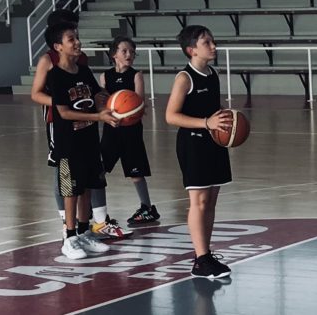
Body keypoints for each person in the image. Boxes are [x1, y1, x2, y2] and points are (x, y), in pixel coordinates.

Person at [29, 9, 127, 239]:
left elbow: (94, 90)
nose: (77, 37)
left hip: (86, 124)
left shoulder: (81, 62)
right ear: (57, 40)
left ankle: (96, 222)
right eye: (70, 33)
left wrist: (111, 102)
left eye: (76, 31)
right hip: (60, 122)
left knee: (91, 173)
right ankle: (68, 224)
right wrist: (63, 103)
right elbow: (36, 94)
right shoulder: (48, 61)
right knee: (65, 173)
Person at [45, 21, 119, 259]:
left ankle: (85, 232)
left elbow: (97, 94)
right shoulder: (55, 76)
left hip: (89, 140)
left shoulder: (84, 71)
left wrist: (115, 104)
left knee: (89, 186)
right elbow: (63, 112)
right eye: (71, 39)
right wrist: (97, 115)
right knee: (71, 190)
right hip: (69, 143)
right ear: (58, 46)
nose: (77, 42)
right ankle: (70, 237)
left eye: (77, 37)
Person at [166, 25, 234, 279]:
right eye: (207, 42)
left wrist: (229, 117)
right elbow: (171, 116)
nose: (213, 45)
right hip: (193, 144)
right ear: (191, 49)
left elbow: (212, 106)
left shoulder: (212, 73)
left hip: (213, 143)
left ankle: (205, 254)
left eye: (213, 40)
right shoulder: (185, 78)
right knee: (198, 202)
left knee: (211, 201)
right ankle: (200, 260)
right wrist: (207, 123)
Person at [99, 36, 160, 225]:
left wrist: (131, 112)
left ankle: (147, 208)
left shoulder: (136, 75)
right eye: (124, 51)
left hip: (131, 130)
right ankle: (98, 214)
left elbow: (139, 104)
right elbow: (101, 102)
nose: (129, 55)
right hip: (111, 129)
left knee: (136, 172)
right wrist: (106, 113)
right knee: (98, 171)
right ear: (113, 54)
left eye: (132, 52)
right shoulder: (105, 76)